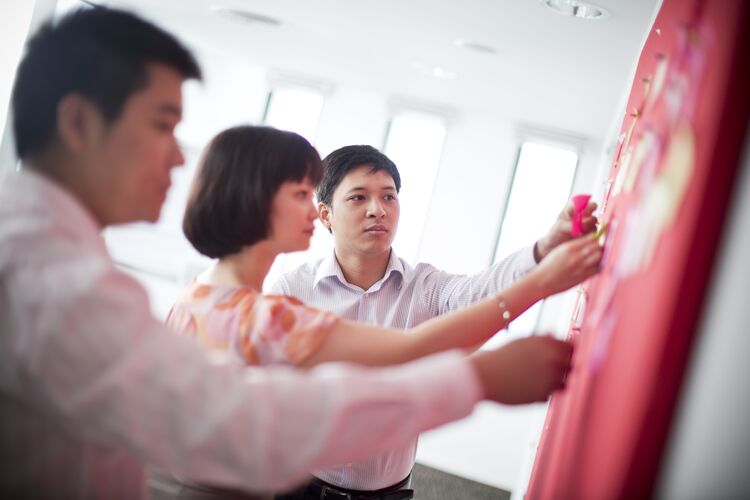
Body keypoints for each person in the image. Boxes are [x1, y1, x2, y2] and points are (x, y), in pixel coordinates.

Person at [0, 7, 582, 499]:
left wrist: (535, 268)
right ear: (77, 122)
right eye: (162, 124)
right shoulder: (71, 282)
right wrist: (481, 374)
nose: (178, 158)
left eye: (389, 196)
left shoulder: (100, 271)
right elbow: (259, 420)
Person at [167, 126, 602, 499]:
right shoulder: (270, 309)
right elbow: (406, 354)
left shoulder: (199, 297)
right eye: (301, 193)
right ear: (258, 203)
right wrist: (540, 287)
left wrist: (542, 255)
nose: (378, 209)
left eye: (389, 196)